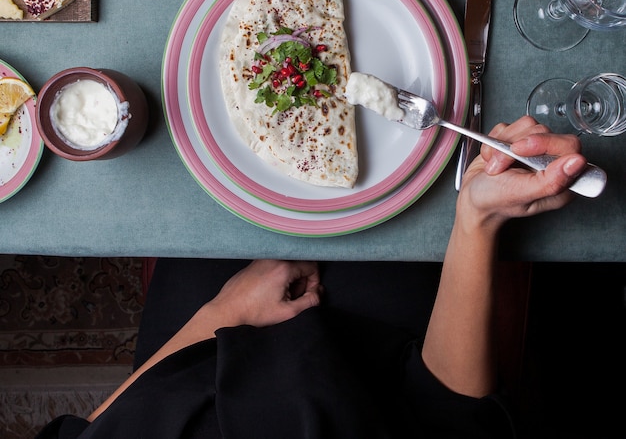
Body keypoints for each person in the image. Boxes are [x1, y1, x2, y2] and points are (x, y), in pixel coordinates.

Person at [36, 116, 589, 439]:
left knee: (199, 165)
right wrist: (479, 218)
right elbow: (455, 417)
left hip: (189, 357)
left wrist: (221, 314)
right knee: (406, 185)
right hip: (376, 371)